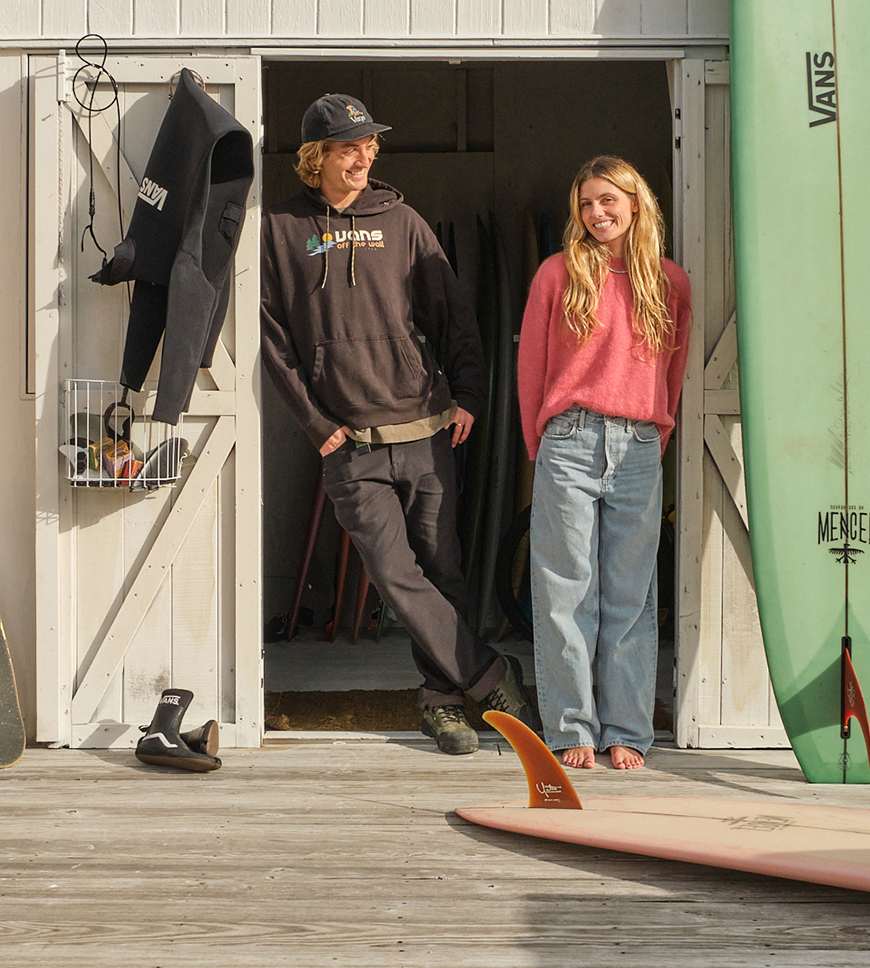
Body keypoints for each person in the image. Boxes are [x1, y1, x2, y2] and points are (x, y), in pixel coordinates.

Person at [261, 92, 539, 755]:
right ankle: (489, 674)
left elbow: (455, 316)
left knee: (444, 573)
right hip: (350, 444)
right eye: (348, 148)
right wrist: (313, 420)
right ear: (315, 157)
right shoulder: (280, 228)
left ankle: (441, 702)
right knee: (394, 576)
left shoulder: (405, 222)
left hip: (426, 432)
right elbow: (271, 337)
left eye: (368, 147)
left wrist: (469, 395)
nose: (362, 158)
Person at [518, 156, 691, 770]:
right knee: (566, 590)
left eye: (608, 200)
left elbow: (672, 373)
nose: (596, 213)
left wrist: (653, 437)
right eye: (586, 203)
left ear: (635, 202)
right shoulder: (557, 274)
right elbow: (532, 369)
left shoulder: (669, 282)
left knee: (631, 595)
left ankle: (626, 729)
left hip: (639, 446)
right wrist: (540, 446)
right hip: (569, 440)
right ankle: (571, 728)